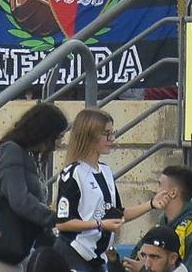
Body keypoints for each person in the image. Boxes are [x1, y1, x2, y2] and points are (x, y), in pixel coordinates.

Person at [0, 105, 65, 272]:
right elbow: (20, 201)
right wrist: (59, 218)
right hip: (0, 252)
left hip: (16, 250)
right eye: (56, 137)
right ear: (42, 133)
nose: (56, 144)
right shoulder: (12, 151)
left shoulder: (27, 155)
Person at [53, 110, 123, 272]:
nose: (111, 139)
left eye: (112, 133)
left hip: (96, 256)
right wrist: (100, 224)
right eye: (106, 134)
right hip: (74, 252)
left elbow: (118, 213)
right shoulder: (73, 173)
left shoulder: (105, 171)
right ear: (89, 135)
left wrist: (152, 204)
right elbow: (62, 223)